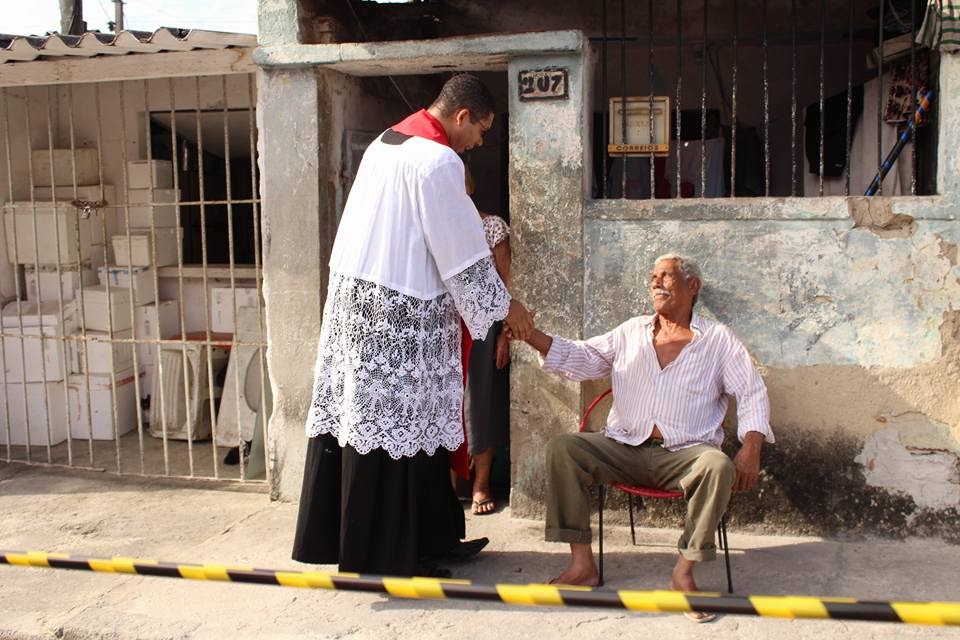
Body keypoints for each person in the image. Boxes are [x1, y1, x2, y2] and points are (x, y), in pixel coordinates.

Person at [291, 73, 534, 578]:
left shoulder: (386, 142)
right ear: (462, 115)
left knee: (408, 427)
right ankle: (392, 554)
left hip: (361, 299)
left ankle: (432, 538)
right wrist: (508, 309)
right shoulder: (438, 160)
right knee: (395, 430)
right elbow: (463, 253)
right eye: (482, 130)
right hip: (399, 308)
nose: (480, 142)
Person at [515, 253, 773, 620]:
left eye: (665, 276)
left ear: (692, 286)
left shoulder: (718, 340)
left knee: (717, 465)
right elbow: (582, 357)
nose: (655, 283)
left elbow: (751, 392)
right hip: (623, 447)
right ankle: (582, 567)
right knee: (563, 448)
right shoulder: (630, 331)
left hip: (685, 454)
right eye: (653, 277)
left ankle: (683, 574)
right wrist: (531, 335)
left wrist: (751, 447)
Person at [463, 166, 512, 515]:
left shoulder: (491, 226)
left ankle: (481, 483)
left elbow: (507, 284)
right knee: (444, 404)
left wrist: (505, 335)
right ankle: (449, 484)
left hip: (481, 328)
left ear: (470, 184)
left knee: (479, 404)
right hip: (442, 328)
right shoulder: (435, 227)